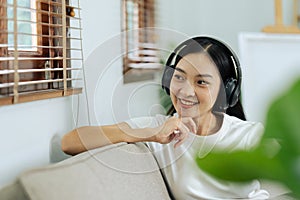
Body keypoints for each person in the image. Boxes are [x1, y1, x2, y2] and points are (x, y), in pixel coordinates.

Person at [62, 36, 270, 199]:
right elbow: (70, 142)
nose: (186, 92)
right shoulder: (159, 129)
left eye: (201, 82)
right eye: (179, 77)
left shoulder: (250, 134)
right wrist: (150, 133)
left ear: (227, 90)